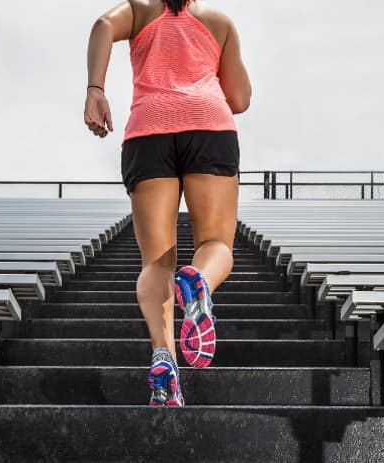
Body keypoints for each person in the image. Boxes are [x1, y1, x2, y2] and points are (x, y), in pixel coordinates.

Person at [84, 0, 251, 407]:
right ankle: (200, 282)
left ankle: (164, 357)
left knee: (156, 262)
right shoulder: (219, 22)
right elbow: (241, 99)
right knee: (216, 244)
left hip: (149, 130)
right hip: (208, 124)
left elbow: (103, 24)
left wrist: (95, 89)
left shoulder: (138, 11)